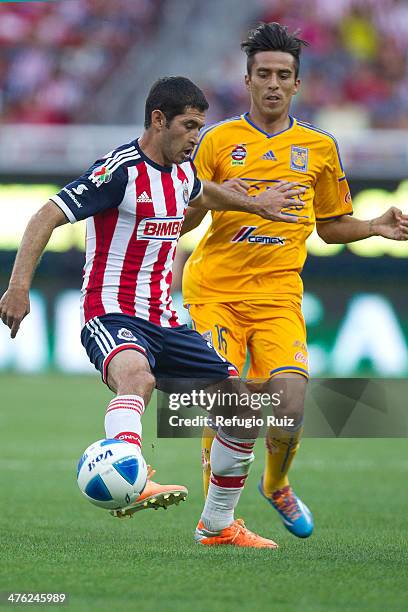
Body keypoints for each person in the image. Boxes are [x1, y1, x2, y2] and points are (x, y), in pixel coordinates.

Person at [0, 76, 307, 548]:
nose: (195, 138)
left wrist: (256, 204)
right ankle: (131, 474)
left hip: (165, 319)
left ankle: (218, 525)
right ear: (158, 120)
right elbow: (47, 215)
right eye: (189, 126)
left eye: (201, 128)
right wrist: (19, 287)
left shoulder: (183, 171)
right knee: (136, 377)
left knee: (241, 412)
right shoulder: (119, 170)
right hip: (111, 312)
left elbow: (204, 192)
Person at [181, 23, 408, 539]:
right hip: (215, 292)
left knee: (287, 405)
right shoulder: (218, 140)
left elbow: (329, 228)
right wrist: (217, 194)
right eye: (264, 74)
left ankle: (276, 482)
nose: (273, 84)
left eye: (284, 75)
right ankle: (218, 519)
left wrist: (373, 225)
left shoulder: (319, 147)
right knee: (229, 400)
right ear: (247, 79)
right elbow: (187, 213)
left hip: (278, 296)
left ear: (298, 84)